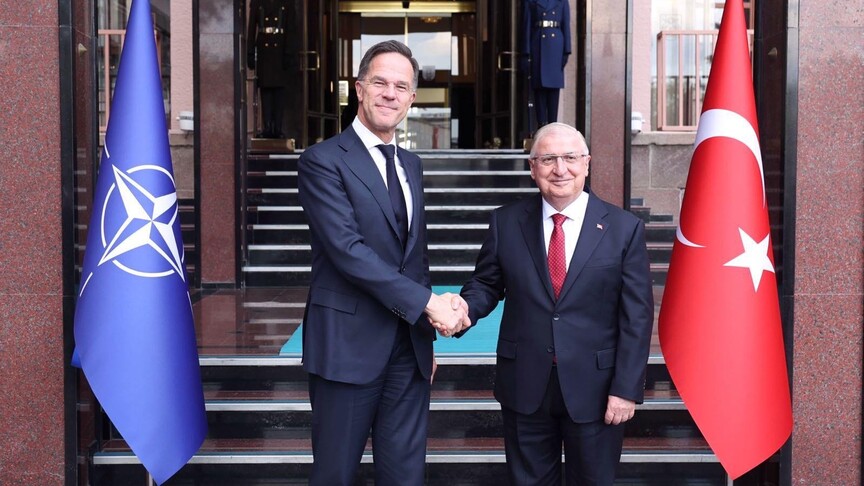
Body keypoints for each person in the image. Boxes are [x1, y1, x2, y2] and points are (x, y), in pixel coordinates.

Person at [297, 40, 470, 486]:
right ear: (359, 89)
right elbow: (348, 251)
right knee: (334, 474)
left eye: (401, 86)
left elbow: (414, 258)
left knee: (405, 475)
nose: (390, 94)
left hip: (408, 350)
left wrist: (424, 337)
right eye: (380, 83)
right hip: (346, 347)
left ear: (412, 98)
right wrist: (429, 304)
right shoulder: (322, 161)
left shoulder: (411, 164)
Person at [457, 123, 654, 485]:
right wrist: (463, 310)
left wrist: (626, 389)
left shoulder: (624, 228)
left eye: (570, 158)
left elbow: (636, 317)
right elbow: (486, 284)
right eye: (548, 159)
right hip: (525, 384)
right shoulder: (506, 222)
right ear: (532, 168)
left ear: (587, 163)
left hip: (597, 389)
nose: (560, 169)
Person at [247, 0, 301, 139]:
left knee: (279, 91)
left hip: (280, 50)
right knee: (265, 90)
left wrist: (289, 53)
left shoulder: (287, 3)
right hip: (264, 50)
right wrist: (250, 52)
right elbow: (252, 27)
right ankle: (267, 127)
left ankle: (277, 128)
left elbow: (291, 29)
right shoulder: (257, 2)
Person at [522, 0, 571, 127]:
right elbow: (527, 26)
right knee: (539, 89)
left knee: (553, 90)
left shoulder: (562, 1)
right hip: (538, 44)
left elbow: (566, 25)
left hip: (555, 47)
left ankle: (553, 126)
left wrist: (567, 50)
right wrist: (526, 52)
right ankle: (541, 126)